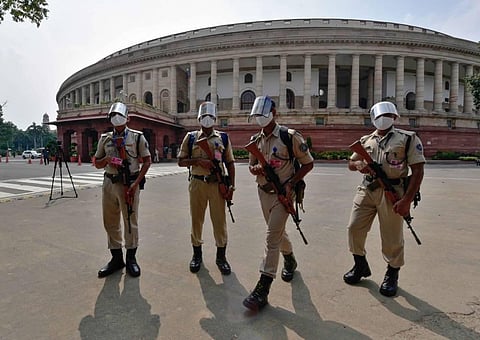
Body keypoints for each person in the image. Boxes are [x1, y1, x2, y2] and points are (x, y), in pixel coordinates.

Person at [343, 101, 425, 297]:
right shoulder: (365, 140)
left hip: (393, 190)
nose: (384, 119)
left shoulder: (407, 138)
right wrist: (359, 164)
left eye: (388, 115)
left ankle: (392, 273)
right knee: (354, 228)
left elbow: (418, 170)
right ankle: (360, 264)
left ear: (395, 117)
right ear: (373, 118)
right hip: (367, 188)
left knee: (391, 235)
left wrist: (406, 200)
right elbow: (350, 163)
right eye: (380, 116)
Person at [243, 96, 314, 311]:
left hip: (284, 193)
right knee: (277, 232)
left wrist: (292, 183)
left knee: (271, 237)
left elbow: (308, 164)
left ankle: (263, 287)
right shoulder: (256, 140)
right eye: (257, 116)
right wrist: (256, 169)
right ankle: (289, 258)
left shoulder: (289, 136)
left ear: (275, 112)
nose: (260, 119)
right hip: (263, 192)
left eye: (263, 115)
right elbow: (252, 165)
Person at [177, 101, 236, 275]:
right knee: (197, 220)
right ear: (199, 119)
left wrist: (231, 186)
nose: (207, 119)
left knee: (219, 221)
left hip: (217, 185)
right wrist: (197, 161)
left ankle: (221, 257)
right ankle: (197, 255)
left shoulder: (223, 138)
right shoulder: (191, 137)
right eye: (204, 116)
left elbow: (230, 163)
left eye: (210, 116)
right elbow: (181, 161)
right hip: (197, 183)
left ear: (215, 118)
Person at [94, 102, 151, 278]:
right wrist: (108, 160)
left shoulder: (137, 137)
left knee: (130, 221)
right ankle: (116, 259)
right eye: (113, 116)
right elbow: (97, 162)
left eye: (120, 115)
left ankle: (131, 259)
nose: (116, 118)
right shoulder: (105, 139)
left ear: (128, 118)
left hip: (129, 184)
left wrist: (136, 184)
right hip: (109, 183)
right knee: (110, 221)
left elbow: (147, 161)